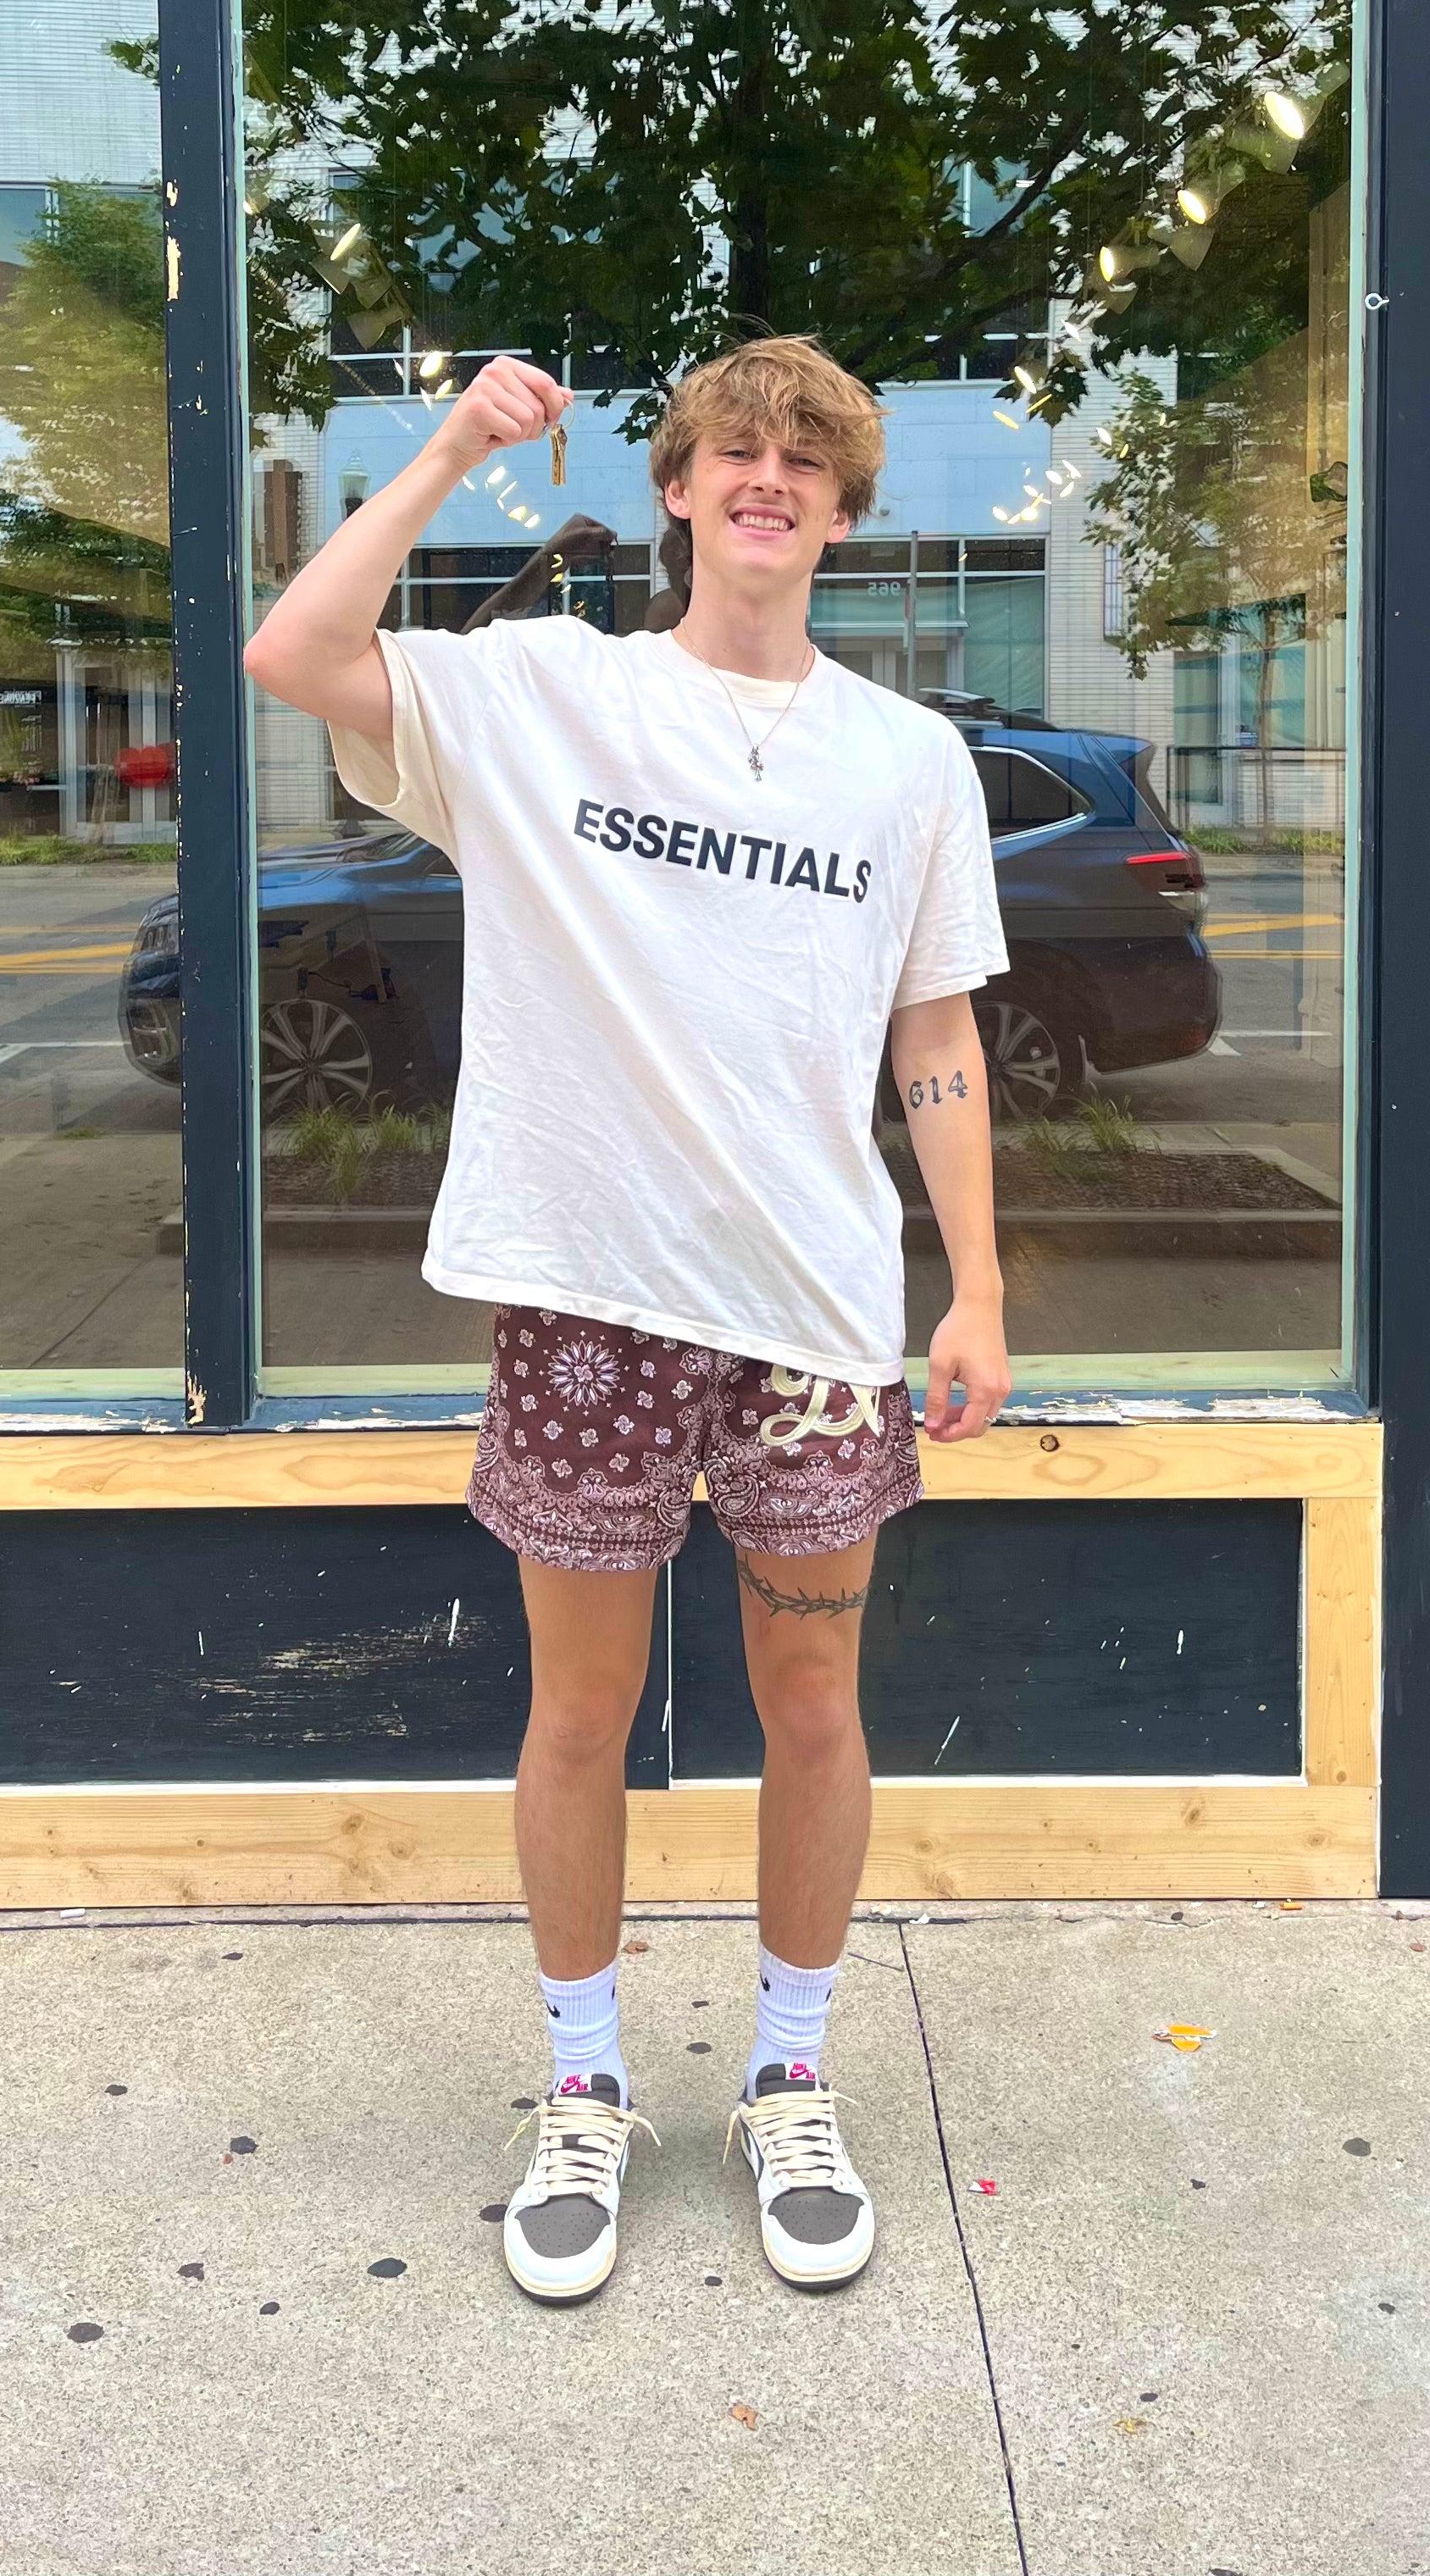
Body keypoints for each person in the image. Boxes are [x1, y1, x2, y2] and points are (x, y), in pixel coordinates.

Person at [244, 335, 1010, 2302]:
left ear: (845, 510)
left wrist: (982, 1285)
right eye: (734, 449)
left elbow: (935, 1035)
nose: (768, 478)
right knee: (580, 1712)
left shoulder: (906, 762)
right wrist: (448, 448)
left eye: (807, 461)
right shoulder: (547, 699)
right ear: (676, 488)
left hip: (817, 1318)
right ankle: (584, 2088)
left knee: (814, 1703)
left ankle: (788, 2075)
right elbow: (297, 650)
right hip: (590, 1296)